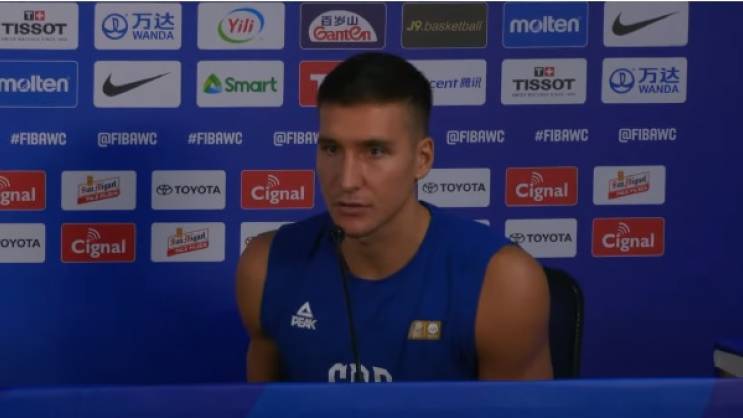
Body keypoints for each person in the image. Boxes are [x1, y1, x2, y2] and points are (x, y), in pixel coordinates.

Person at [235, 52, 552, 382]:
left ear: (422, 159)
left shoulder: (501, 281)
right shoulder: (266, 266)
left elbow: (518, 407)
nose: (347, 180)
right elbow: (262, 404)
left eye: (375, 152)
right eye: (331, 149)